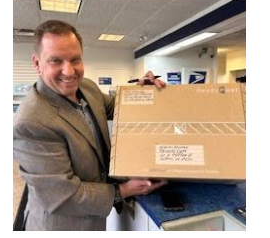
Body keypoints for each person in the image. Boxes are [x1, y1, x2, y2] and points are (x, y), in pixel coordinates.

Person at [13, 20, 167, 230]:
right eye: (55, 61)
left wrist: (143, 93)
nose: (68, 71)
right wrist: (125, 190)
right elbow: (64, 196)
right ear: (37, 63)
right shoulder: (31, 122)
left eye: (75, 59)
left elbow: (118, 108)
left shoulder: (87, 87)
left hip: (93, 219)